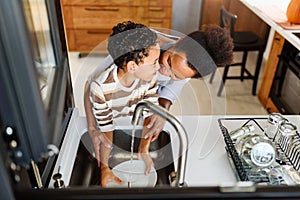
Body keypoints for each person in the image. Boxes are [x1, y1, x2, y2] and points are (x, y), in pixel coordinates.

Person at [84, 23, 234, 180]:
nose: (164, 71)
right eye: (168, 61)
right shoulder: (138, 46)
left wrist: (161, 113)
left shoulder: (188, 66)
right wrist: (92, 127)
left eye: (175, 75)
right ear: (178, 41)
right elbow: (92, 85)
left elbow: (167, 93)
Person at [87, 21, 161, 187]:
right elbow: (106, 130)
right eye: (154, 62)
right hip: (113, 121)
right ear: (132, 66)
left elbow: (149, 116)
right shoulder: (101, 88)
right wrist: (105, 168)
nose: (159, 66)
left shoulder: (150, 79)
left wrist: (144, 149)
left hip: (130, 122)